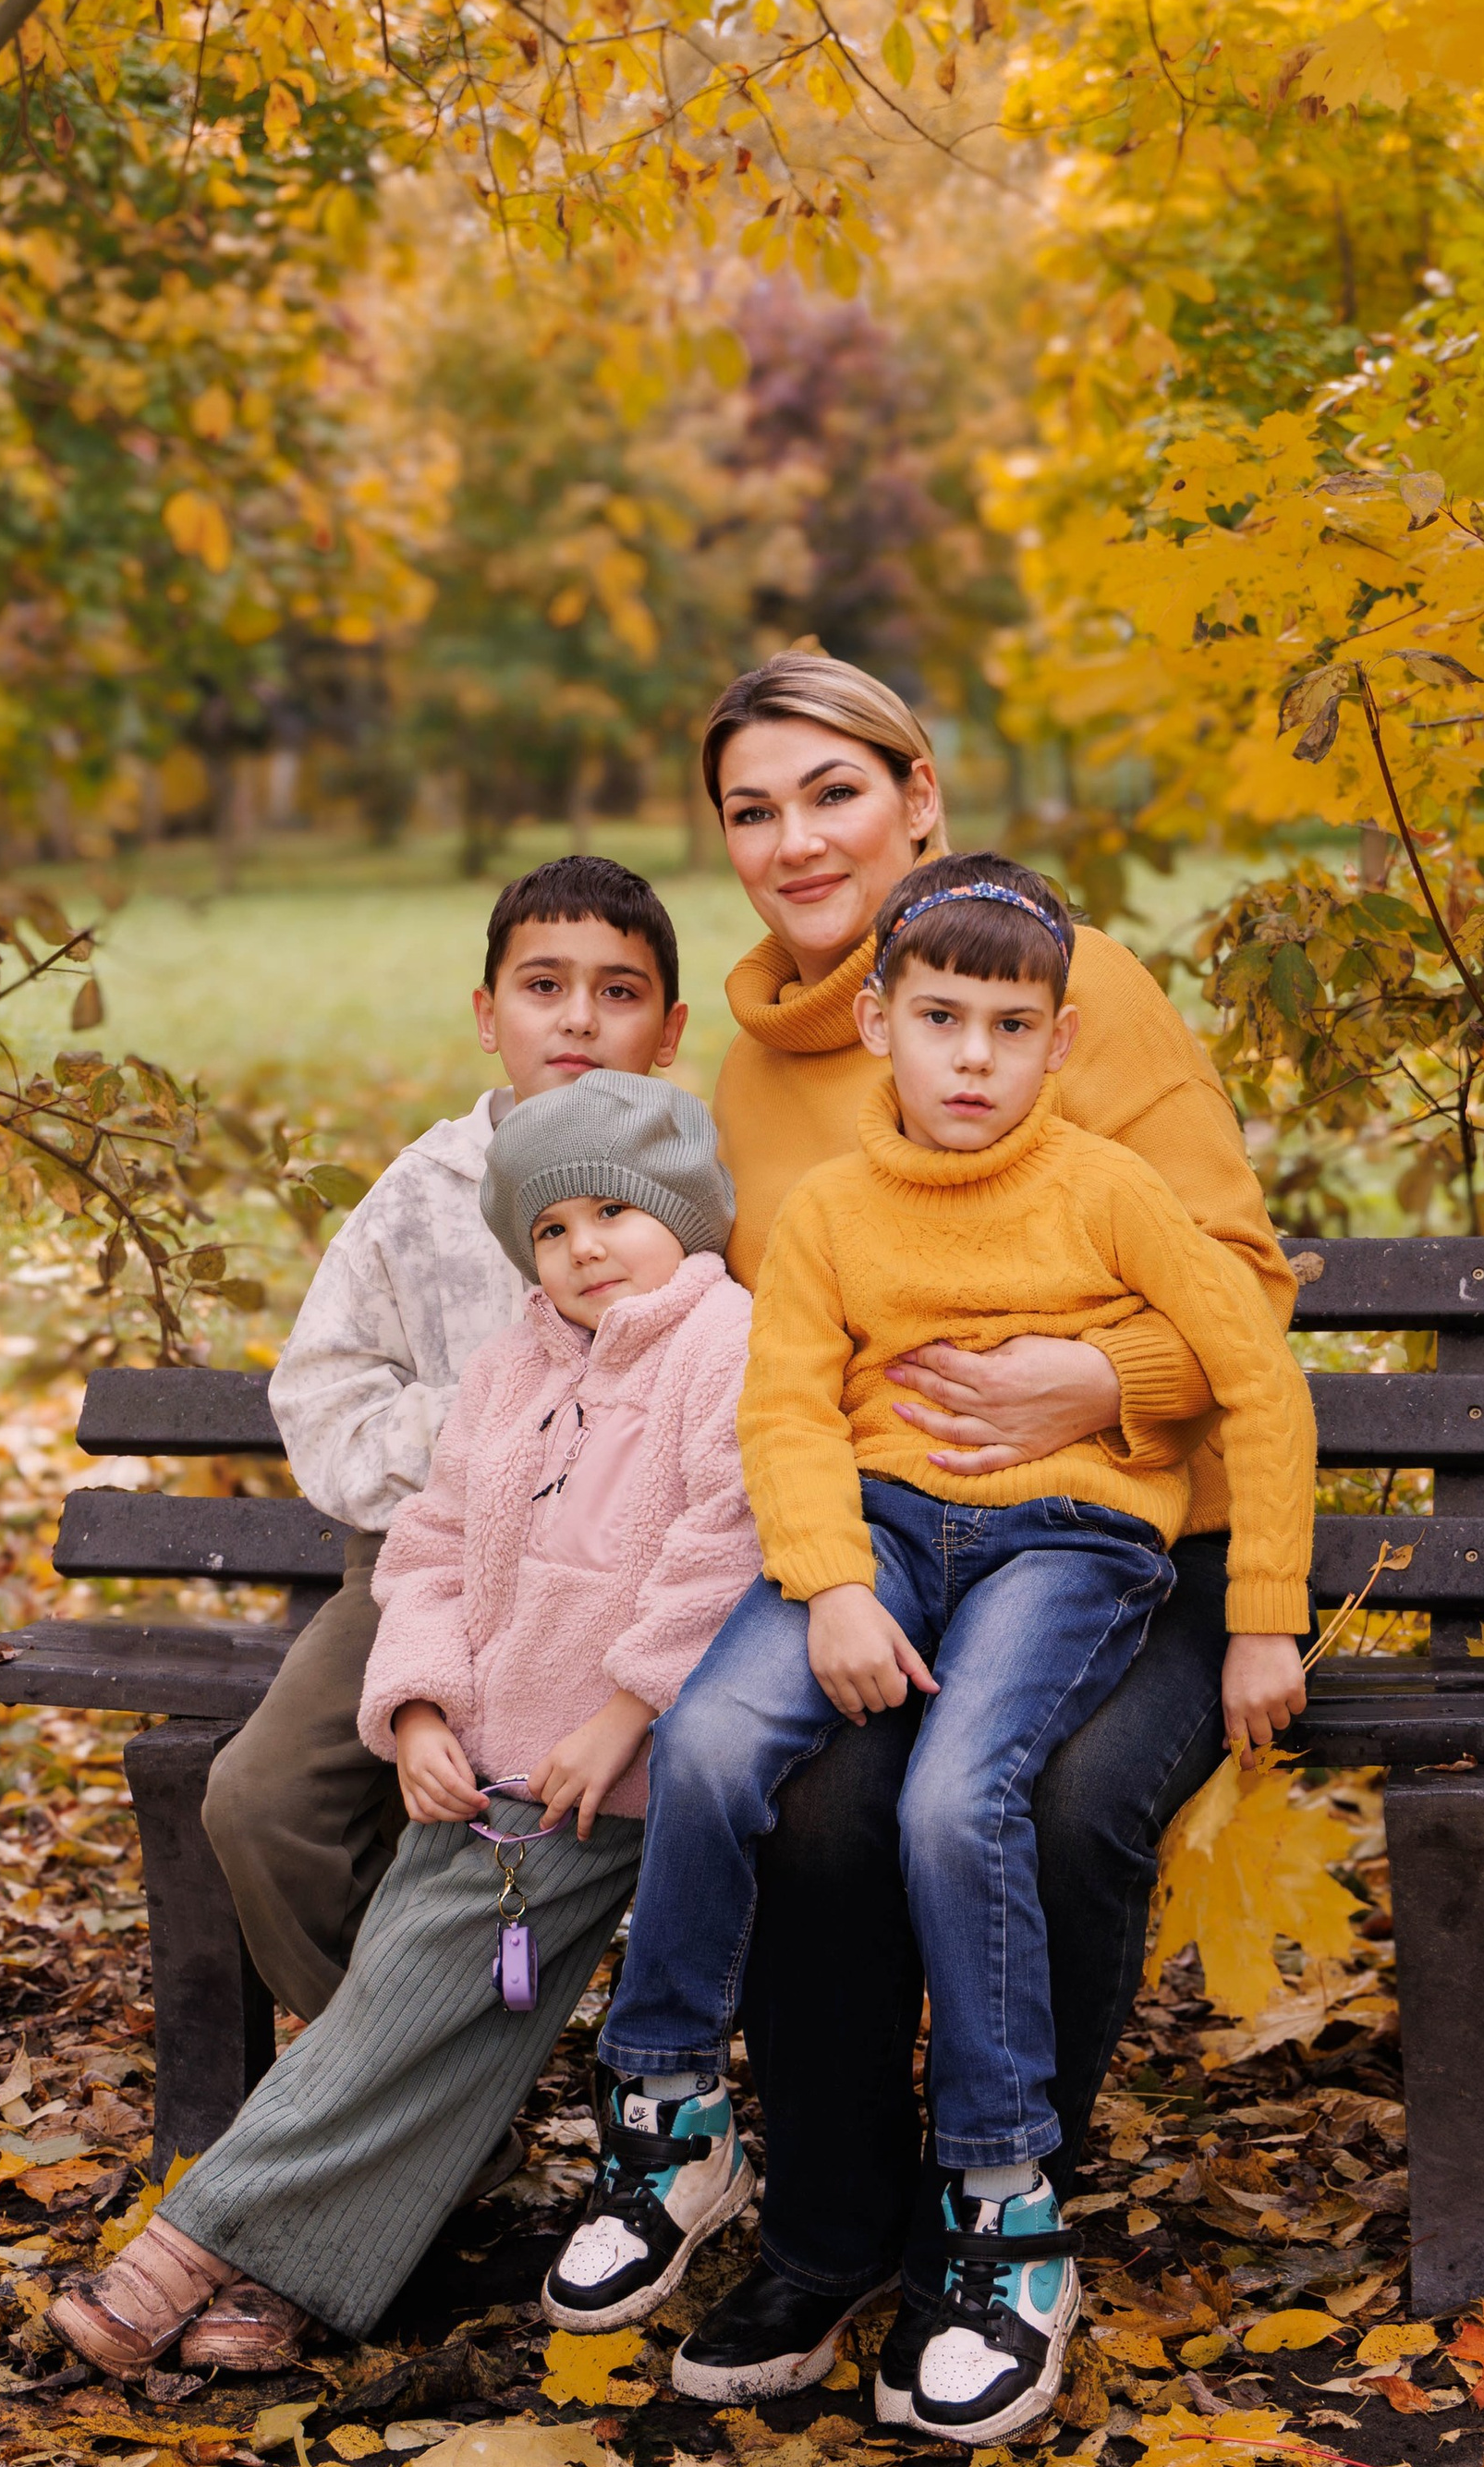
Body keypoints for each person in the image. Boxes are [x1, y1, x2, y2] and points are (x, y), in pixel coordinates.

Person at [544, 856, 1316, 2442]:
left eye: (1009, 1028)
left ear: (1055, 1039)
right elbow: (783, 1407)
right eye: (941, 1021)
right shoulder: (829, 1206)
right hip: (883, 1536)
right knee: (708, 1742)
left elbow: (1258, 1380)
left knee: (951, 1801)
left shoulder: (1105, 1187)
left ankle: (997, 2200)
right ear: (882, 1026)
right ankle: (667, 2103)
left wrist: (1260, 1619)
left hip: (1071, 1538)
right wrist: (828, 1584)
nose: (972, 1058)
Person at [48, 1073, 760, 2374]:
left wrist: (623, 1714)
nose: (583, 1245)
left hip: (619, 1771)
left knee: (398, 2009)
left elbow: (724, 1545)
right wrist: (418, 1701)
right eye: (549, 1229)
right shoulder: (508, 1369)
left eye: (612, 1211)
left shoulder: (722, 1346)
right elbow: (424, 1551)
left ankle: (192, 2243)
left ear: (684, 1214)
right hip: (486, 1771)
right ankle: (292, 2278)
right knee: (413, 2017)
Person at [200, 855, 687, 2041]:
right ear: (488, 1015)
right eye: (543, 986)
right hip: (435, 1565)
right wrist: (485, 1434)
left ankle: (632, 2085)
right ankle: (406, 2078)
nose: (579, 1017)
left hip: (647, 1578)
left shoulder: (696, 1182)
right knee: (258, 1802)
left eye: (619, 992)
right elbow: (322, 1400)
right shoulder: (422, 1196)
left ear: (669, 1032)